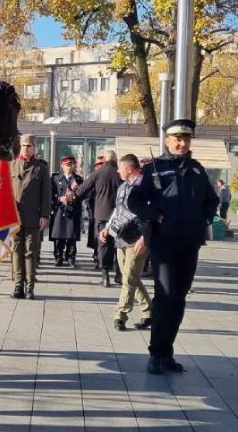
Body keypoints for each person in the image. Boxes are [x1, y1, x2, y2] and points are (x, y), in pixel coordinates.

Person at [127, 118, 219, 374]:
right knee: (165, 296)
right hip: (164, 243)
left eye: (186, 139)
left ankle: (167, 352)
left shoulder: (197, 170)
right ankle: (156, 353)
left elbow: (211, 201)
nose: (181, 143)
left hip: (189, 243)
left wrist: (204, 219)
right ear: (167, 141)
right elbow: (134, 200)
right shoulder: (154, 169)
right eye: (177, 139)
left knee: (178, 298)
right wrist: (155, 215)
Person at [98, 154, 152, 332]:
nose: (118, 171)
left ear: (129, 168)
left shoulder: (145, 187)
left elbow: (149, 214)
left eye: (120, 168)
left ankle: (120, 315)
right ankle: (150, 312)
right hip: (120, 238)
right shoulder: (123, 187)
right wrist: (108, 228)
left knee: (128, 278)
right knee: (131, 277)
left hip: (137, 239)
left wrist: (145, 237)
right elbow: (118, 210)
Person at [9, 134, 50, 300]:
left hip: (33, 216)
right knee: (16, 251)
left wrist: (45, 215)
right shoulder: (11, 166)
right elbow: (4, 193)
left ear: (35, 148)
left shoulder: (41, 168)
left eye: (29, 146)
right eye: (24, 145)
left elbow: (46, 195)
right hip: (14, 217)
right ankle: (18, 285)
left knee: (30, 252)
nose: (26, 148)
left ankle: (29, 287)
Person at [75, 149, 122, 286]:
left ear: (104, 160)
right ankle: (119, 275)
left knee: (104, 244)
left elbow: (81, 192)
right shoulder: (121, 173)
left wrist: (75, 193)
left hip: (102, 215)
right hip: (119, 215)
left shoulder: (97, 173)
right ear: (116, 159)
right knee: (119, 244)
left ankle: (105, 275)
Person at [49, 156, 83, 267]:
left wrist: (75, 196)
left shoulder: (78, 179)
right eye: (67, 164)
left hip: (72, 210)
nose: (70, 167)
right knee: (59, 236)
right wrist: (59, 199)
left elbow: (83, 194)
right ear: (62, 165)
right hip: (59, 209)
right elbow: (51, 194)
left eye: (72, 164)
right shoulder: (55, 178)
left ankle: (71, 258)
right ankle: (59, 257)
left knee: (71, 236)